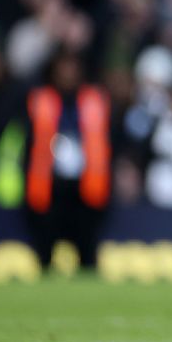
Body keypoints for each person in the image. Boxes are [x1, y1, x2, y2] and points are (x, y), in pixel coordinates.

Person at [19, 47, 113, 271]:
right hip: (49, 187)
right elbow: (25, 141)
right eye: (63, 66)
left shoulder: (95, 100)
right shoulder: (38, 99)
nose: (68, 73)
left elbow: (109, 141)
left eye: (72, 66)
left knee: (87, 253)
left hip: (86, 187)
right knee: (44, 252)